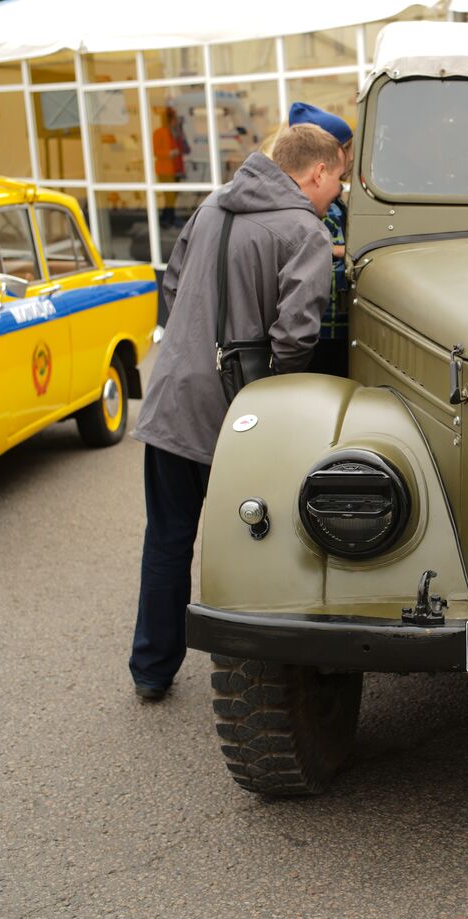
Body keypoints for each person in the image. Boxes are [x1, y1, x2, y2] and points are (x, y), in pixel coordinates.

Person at [128, 124, 346, 701]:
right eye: (339, 180)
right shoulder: (306, 231)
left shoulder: (208, 207)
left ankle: (151, 670)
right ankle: (261, 672)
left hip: (173, 397)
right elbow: (296, 336)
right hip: (241, 411)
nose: (339, 193)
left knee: (168, 539)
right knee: (259, 540)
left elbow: (171, 289)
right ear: (316, 172)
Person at [288, 102, 354, 378]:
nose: (351, 157)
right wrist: (341, 251)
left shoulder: (335, 201)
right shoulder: (310, 206)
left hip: (337, 325)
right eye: (347, 149)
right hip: (320, 330)